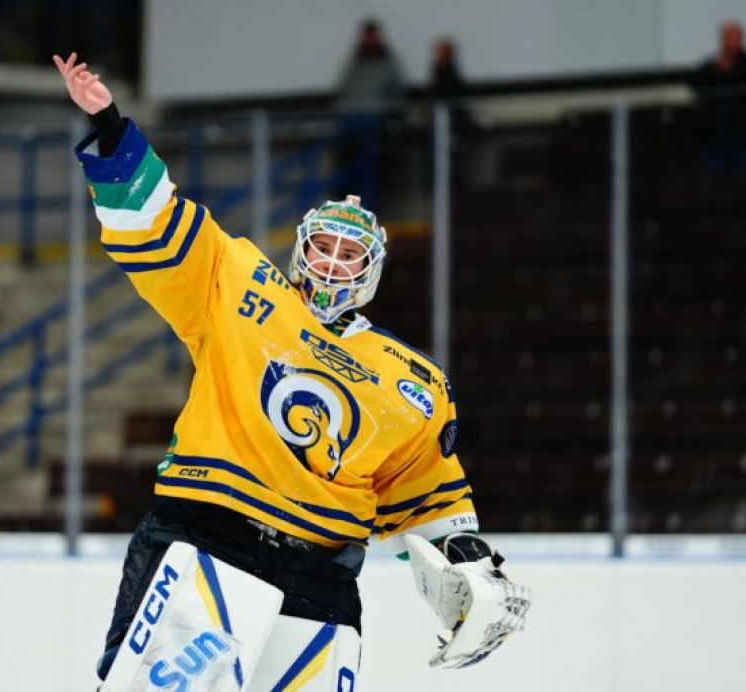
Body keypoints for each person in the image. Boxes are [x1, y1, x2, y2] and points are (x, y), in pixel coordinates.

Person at [53, 53, 530, 689]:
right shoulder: (240, 281)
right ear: (302, 250)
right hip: (208, 535)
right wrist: (112, 128)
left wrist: (466, 556)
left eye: (350, 253)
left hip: (322, 576)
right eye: (324, 247)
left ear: (372, 272)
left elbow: (423, 489)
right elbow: (156, 223)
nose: (333, 264)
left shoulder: (413, 382)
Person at [332, 19, 406, 206]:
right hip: (350, 129)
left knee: (368, 172)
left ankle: (368, 210)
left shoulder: (388, 67)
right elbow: (343, 94)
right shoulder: (354, 66)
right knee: (347, 171)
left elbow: (397, 97)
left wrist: (384, 115)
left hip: (374, 127)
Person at [689, 20, 746, 174]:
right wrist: (716, 71)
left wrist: (734, 70)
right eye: (728, 38)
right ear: (722, 40)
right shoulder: (712, 67)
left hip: (745, 140)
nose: (732, 43)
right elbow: (693, 82)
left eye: (736, 38)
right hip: (715, 141)